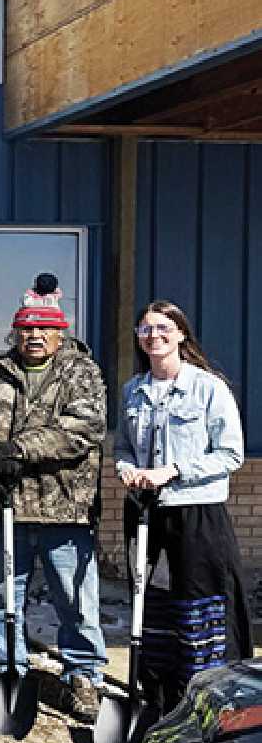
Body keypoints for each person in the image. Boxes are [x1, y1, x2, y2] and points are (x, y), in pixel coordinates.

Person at [0, 276, 107, 720]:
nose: (34, 336)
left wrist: (18, 449)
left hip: (64, 510)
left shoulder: (81, 372)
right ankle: (10, 668)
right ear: (15, 331)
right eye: (26, 328)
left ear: (60, 331)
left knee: (75, 600)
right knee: (1, 597)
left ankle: (83, 676)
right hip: (3, 506)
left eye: (43, 329)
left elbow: (82, 429)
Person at [114, 300, 251, 712]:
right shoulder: (132, 390)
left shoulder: (208, 388)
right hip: (147, 514)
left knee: (201, 605)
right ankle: (156, 697)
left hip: (197, 515)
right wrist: (126, 468)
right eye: (145, 329)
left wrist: (172, 471)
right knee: (150, 605)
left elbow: (231, 454)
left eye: (162, 328)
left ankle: (206, 697)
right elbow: (123, 445)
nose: (153, 336)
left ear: (181, 335)